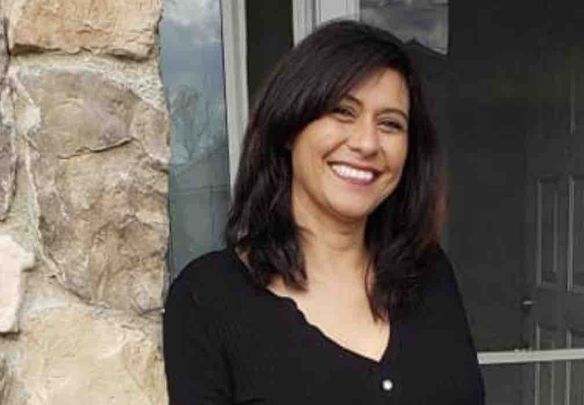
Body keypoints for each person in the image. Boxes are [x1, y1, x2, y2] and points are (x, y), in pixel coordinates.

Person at [163, 20, 485, 404]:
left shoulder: (428, 274)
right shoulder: (207, 299)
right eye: (343, 112)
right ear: (288, 127)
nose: (367, 143)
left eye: (390, 124)